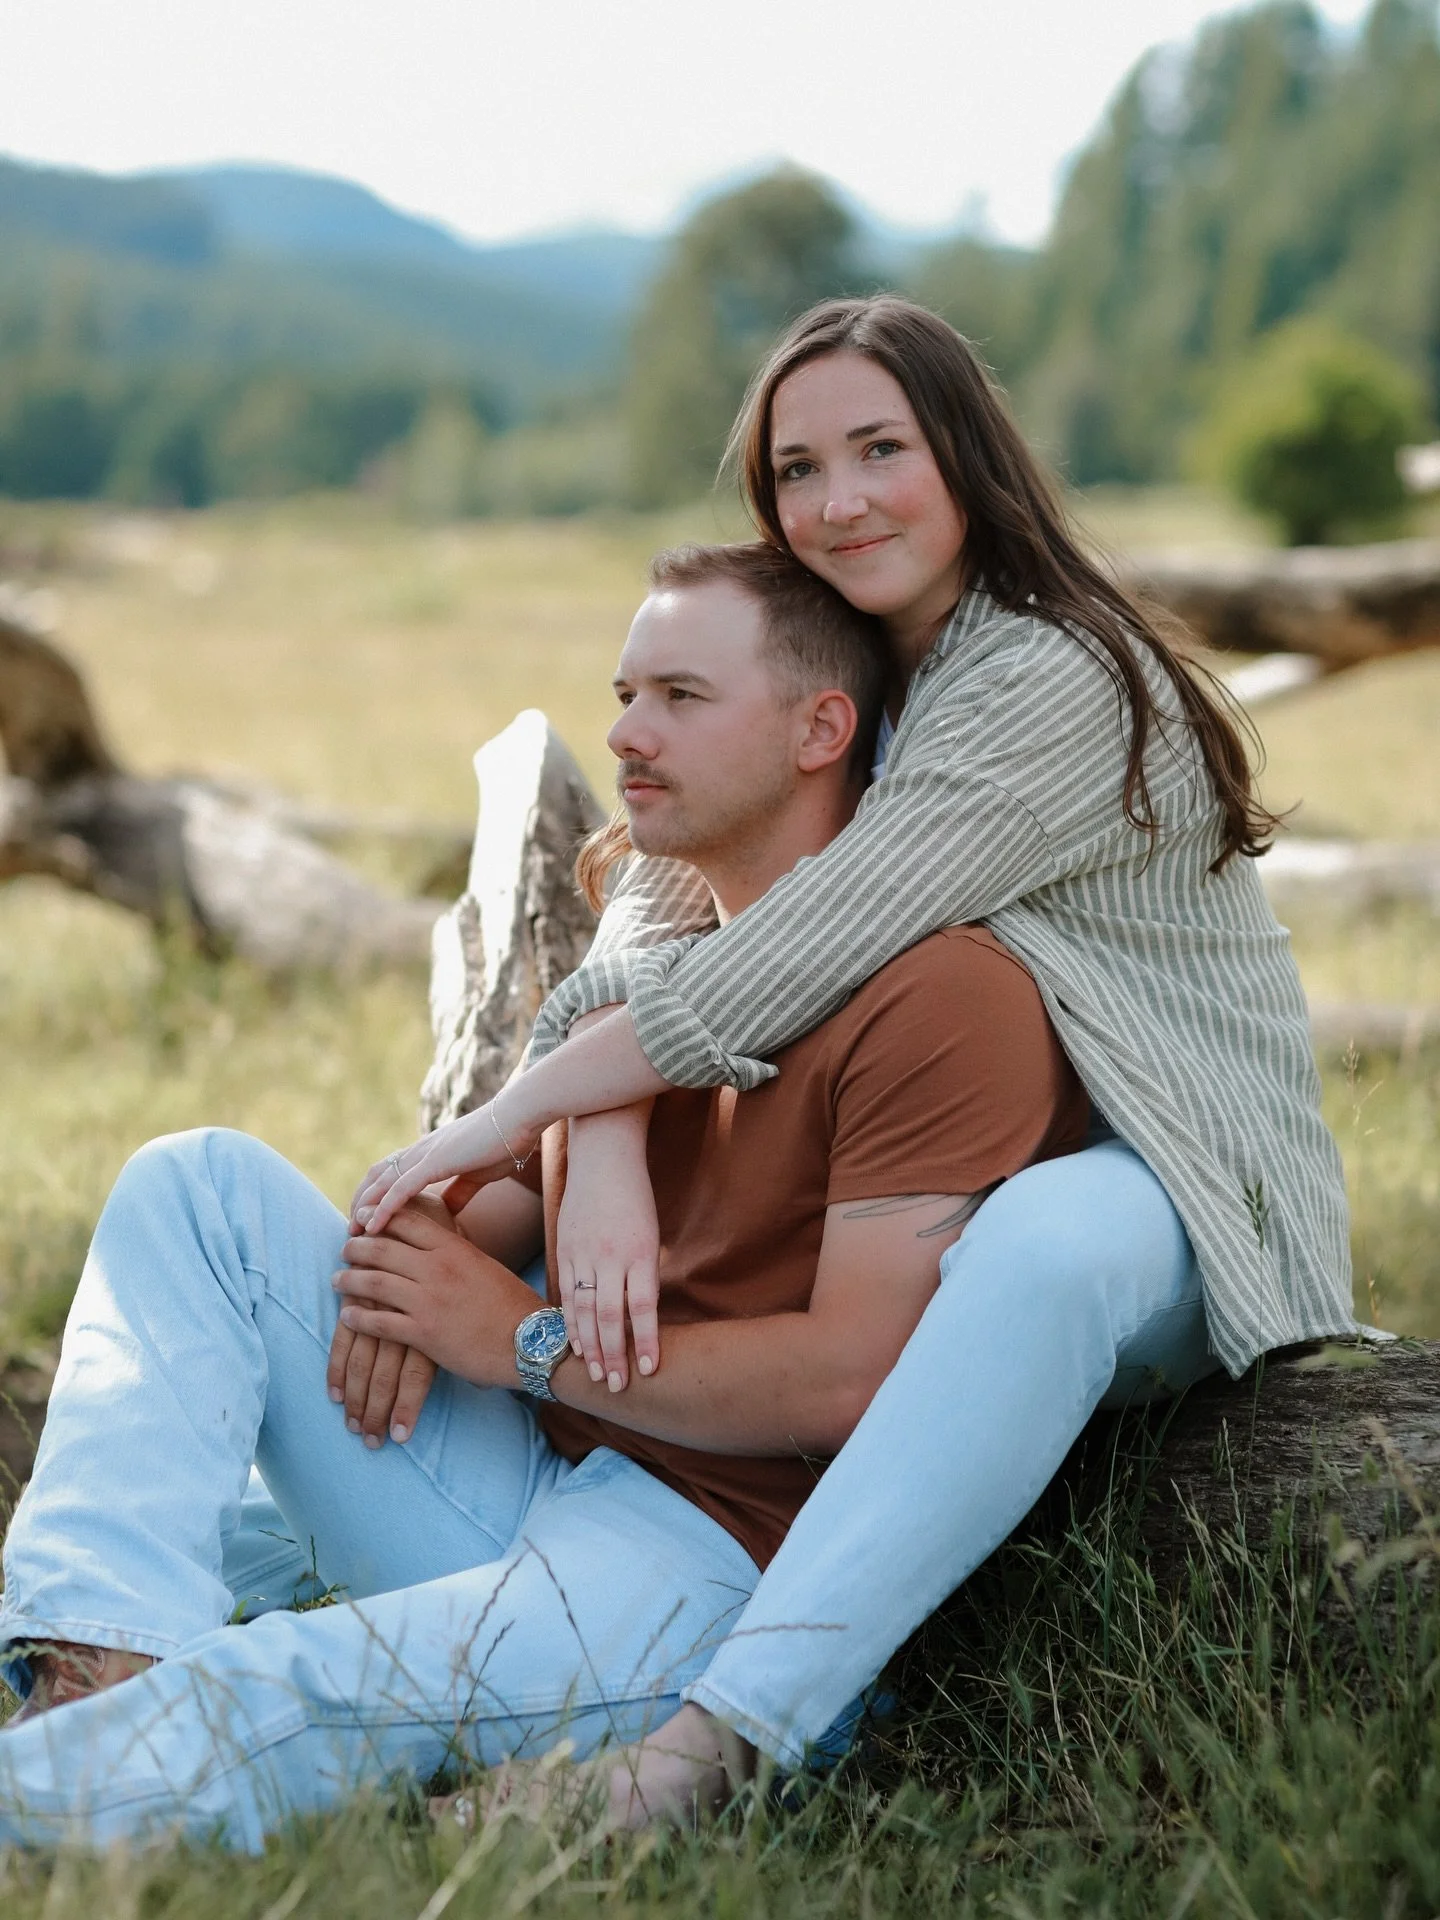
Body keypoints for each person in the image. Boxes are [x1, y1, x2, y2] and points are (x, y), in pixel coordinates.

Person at [358, 296, 1355, 1825]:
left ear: (963, 455)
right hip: (967, 1148)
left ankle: (715, 1750)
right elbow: (657, 887)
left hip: (1169, 1172)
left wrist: (536, 1102)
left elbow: (804, 942)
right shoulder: (858, 662)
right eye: (797, 469)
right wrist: (609, 1139)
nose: (837, 503)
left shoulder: (1041, 681)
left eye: (879, 450)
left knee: (1038, 1245)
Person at [0, 543, 1086, 1849]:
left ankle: (53, 1797)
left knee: (284, 1684)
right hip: (533, 1475)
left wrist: (515, 1343)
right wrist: (410, 1265)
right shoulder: (653, 969)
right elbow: (489, 1212)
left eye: (680, 698)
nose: (627, 733)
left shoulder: (944, 996)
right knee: (201, 1187)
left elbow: (847, 1386)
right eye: (625, 693)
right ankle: (85, 1671)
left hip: (712, 1569)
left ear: (822, 729)